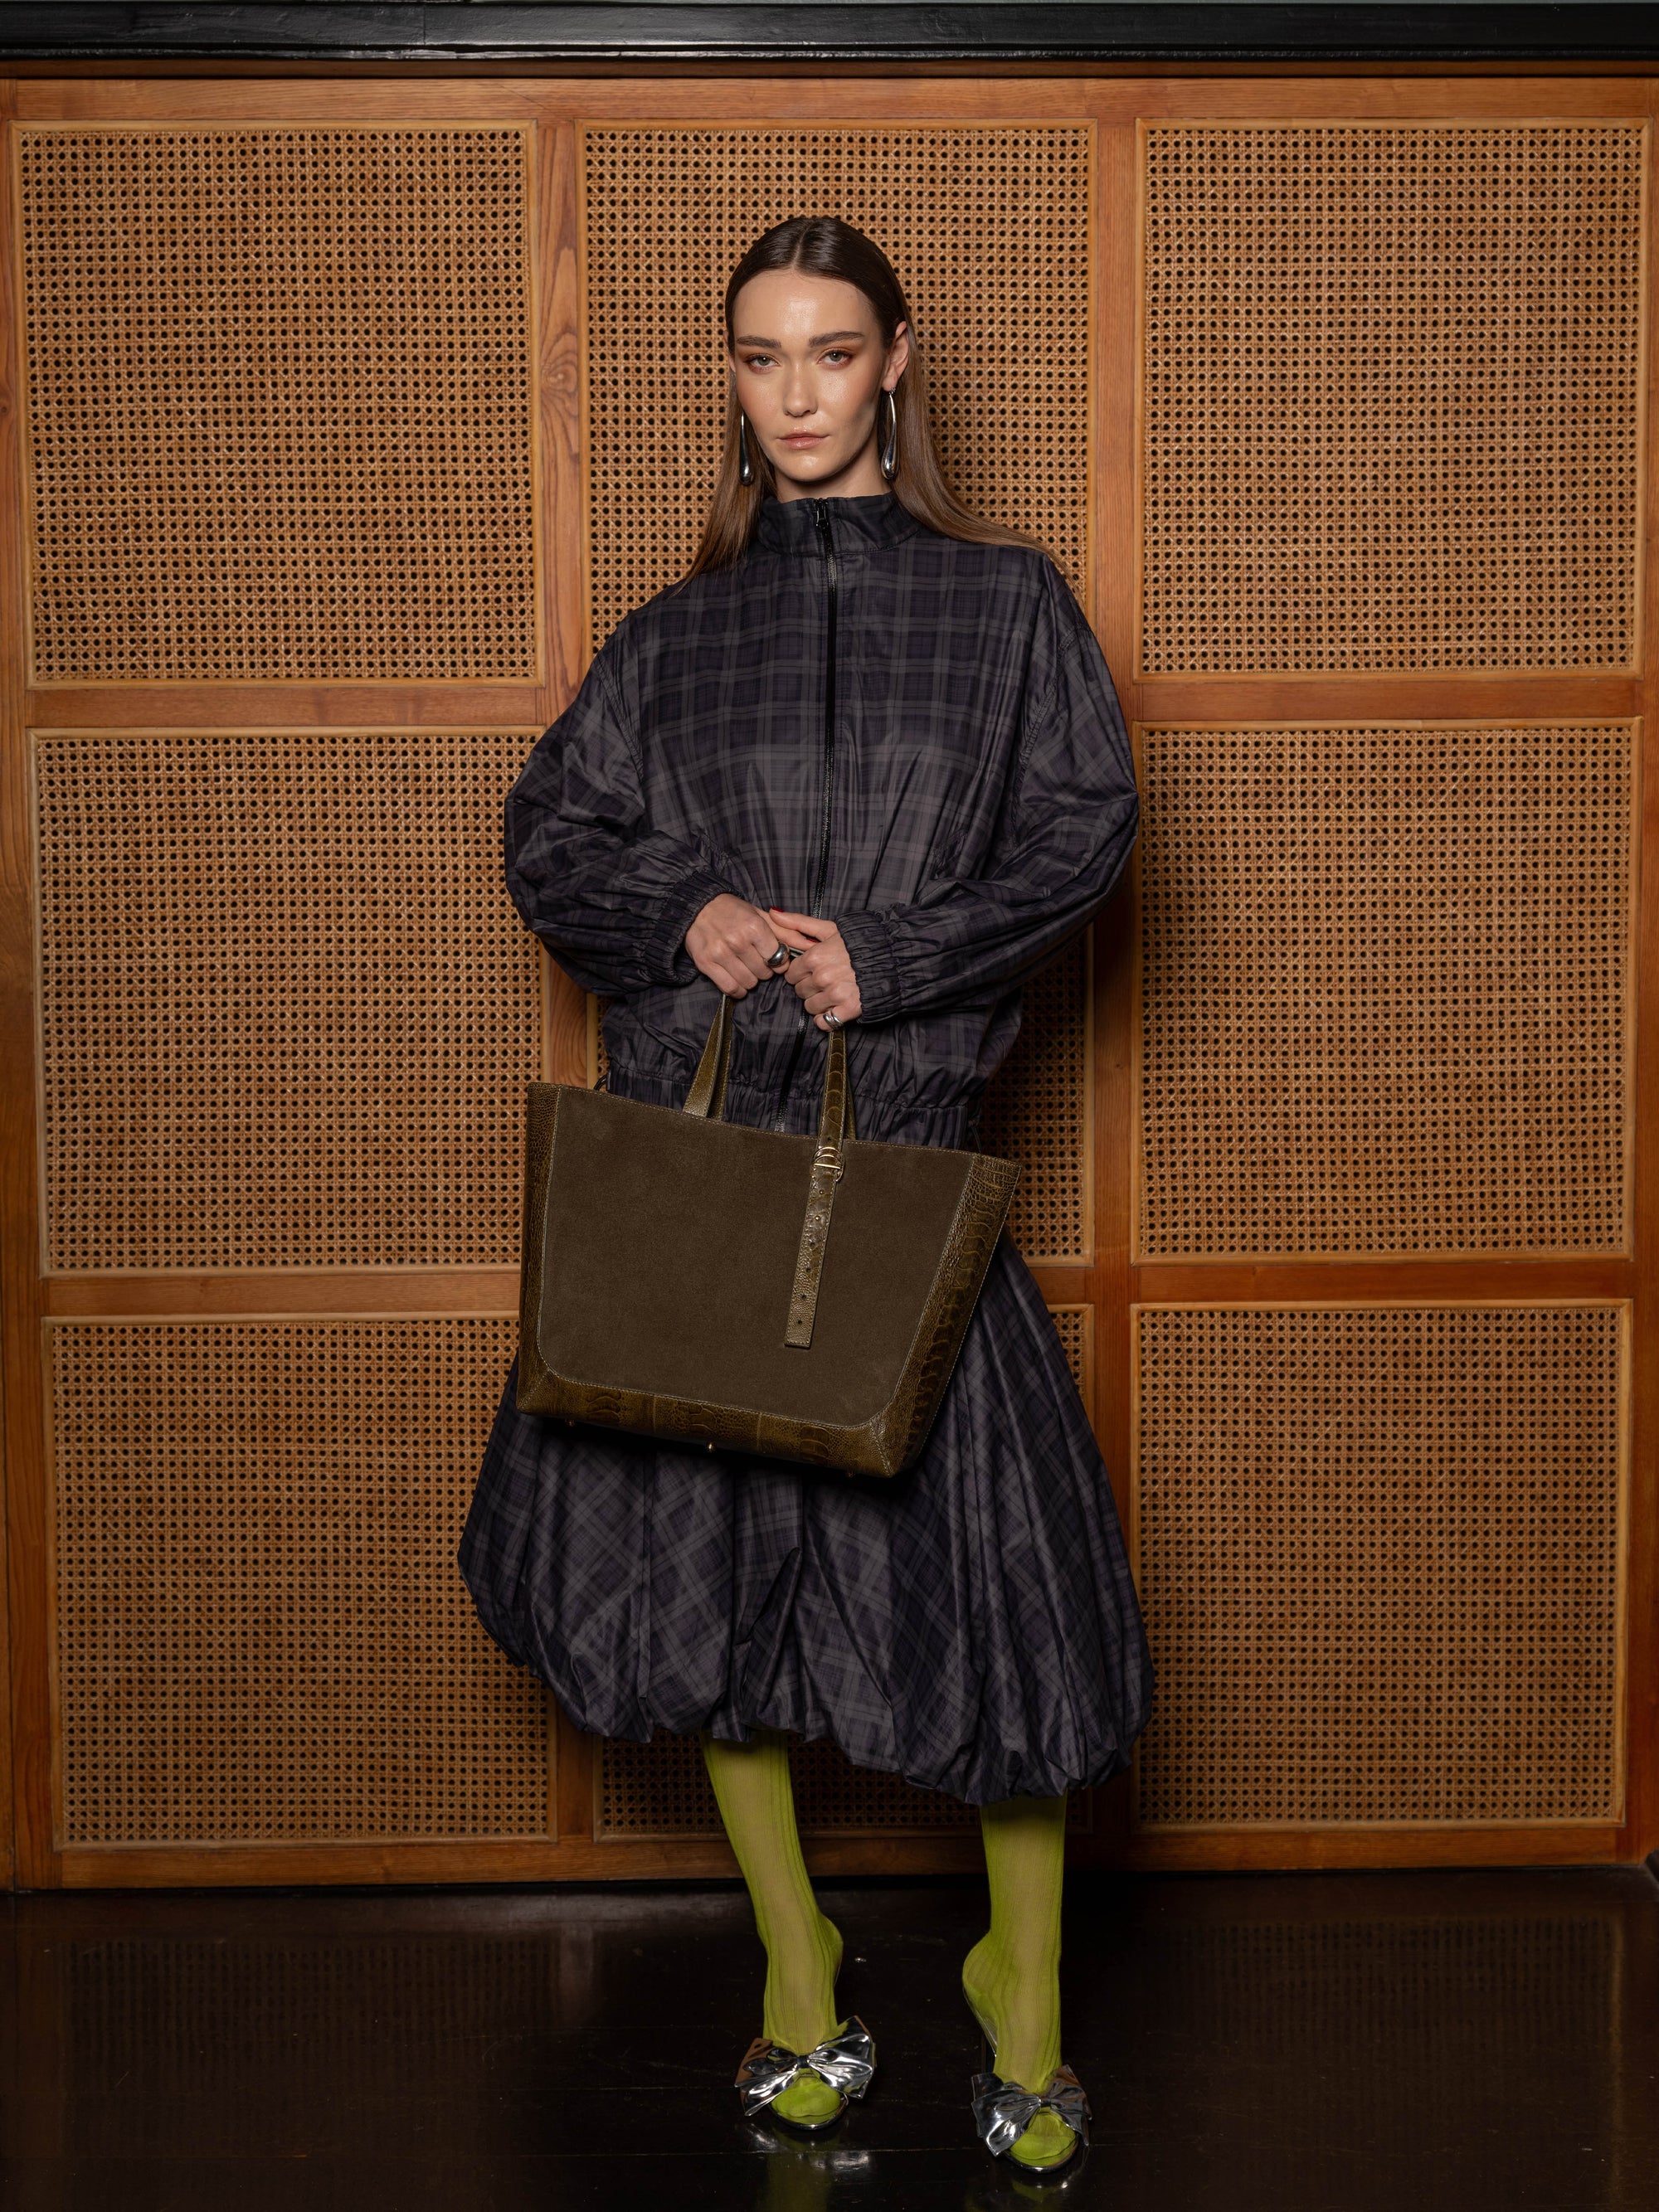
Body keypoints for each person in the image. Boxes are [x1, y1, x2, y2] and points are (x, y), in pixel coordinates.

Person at [460, 215, 1151, 2176]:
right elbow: (548, 828)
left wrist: (905, 951)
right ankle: (797, 1966)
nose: (792, 394)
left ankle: (1019, 1985)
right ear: (733, 374)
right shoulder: (672, 638)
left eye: (830, 353)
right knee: (719, 1617)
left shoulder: (1009, 606)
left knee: (1003, 1628)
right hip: (717, 1187)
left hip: (911, 1179)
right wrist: (677, 905)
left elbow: (1090, 821)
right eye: (759, 355)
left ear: (896, 364)